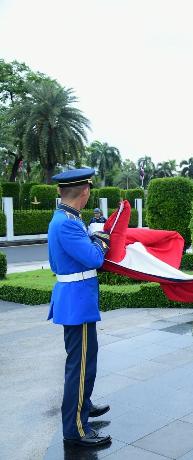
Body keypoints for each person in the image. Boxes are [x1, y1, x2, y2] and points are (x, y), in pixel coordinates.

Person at [48, 168, 112, 448]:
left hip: (77, 301)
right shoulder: (67, 223)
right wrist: (102, 241)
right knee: (81, 366)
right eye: (89, 189)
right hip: (76, 302)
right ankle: (76, 429)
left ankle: (83, 405)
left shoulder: (68, 218)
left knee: (85, 361)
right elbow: (94, 258)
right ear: (84, 191)